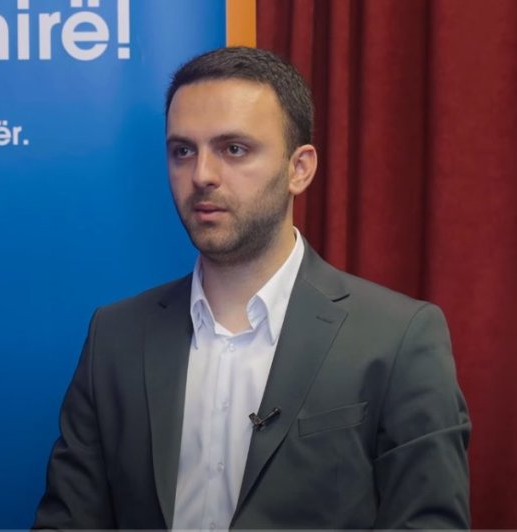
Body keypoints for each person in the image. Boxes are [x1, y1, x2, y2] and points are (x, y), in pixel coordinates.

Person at [33, 46, 470, 530]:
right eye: (183, 151)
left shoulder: (397, 337)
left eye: (234, 149)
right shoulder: (115, 336)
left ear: (299, 169)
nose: (202, 175)